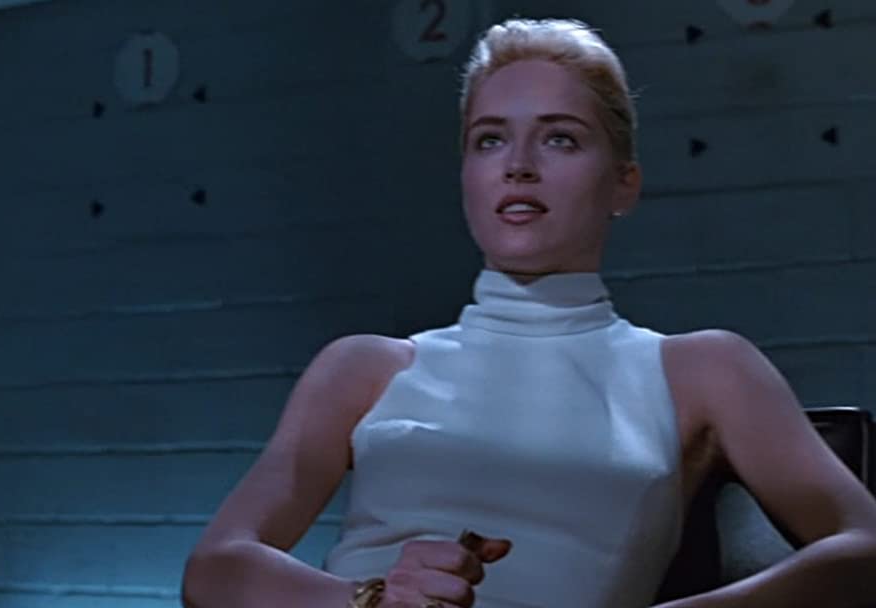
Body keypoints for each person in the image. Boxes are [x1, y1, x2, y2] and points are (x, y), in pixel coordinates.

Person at [180, 16, 876, 608]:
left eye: (559, 138)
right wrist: (370, 598)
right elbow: (214, 571)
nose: (517, 164)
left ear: (624, 184)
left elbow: (864, 550)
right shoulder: (364, 366)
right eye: (490, 139)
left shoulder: (702, 369)